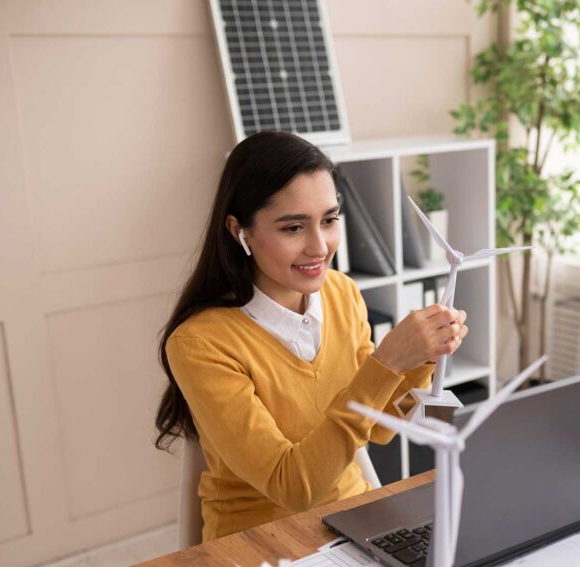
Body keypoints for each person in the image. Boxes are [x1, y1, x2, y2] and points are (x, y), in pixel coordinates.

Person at [155, 131, 468, 541]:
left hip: (353, 524)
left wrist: (422, 360)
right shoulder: (200, 344)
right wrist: (388, 362)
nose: (319, 247)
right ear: (239, 231)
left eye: (330, 220)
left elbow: (382, 427)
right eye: (293, 227)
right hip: (258, 549)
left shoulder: (341, 293)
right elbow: (294, 487)